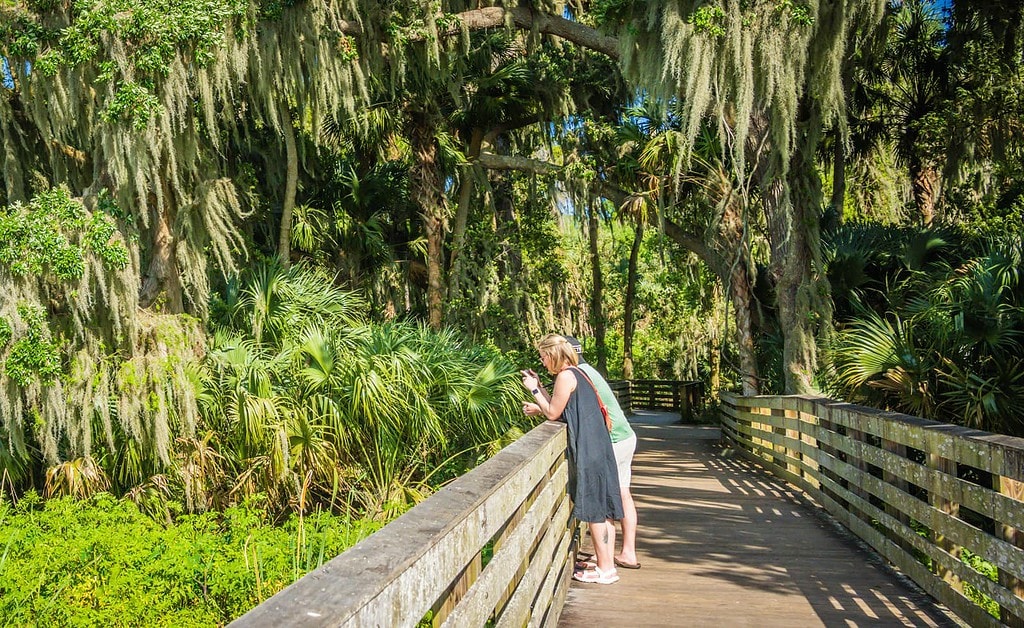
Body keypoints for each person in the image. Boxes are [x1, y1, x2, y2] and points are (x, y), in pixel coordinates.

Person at [522, 334, 623, 585]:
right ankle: (606, 564)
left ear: (553, 354)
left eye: (544, 357)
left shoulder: (566, 376)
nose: (543, 362)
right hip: (599, 447)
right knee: (604, 507)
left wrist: (534, 390)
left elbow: (553, 413)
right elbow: (562, 405)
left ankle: (606, 570)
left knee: (596, 510)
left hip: (589, 449)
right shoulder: (579, 373)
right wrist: (542, 388)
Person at [561, 335, 641, 570]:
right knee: (622, 493)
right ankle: (628, 552)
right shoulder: (588, 370)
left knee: (605, 497)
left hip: (612, 440)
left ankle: (603, 560)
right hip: (625, 436)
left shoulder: (576, 374)